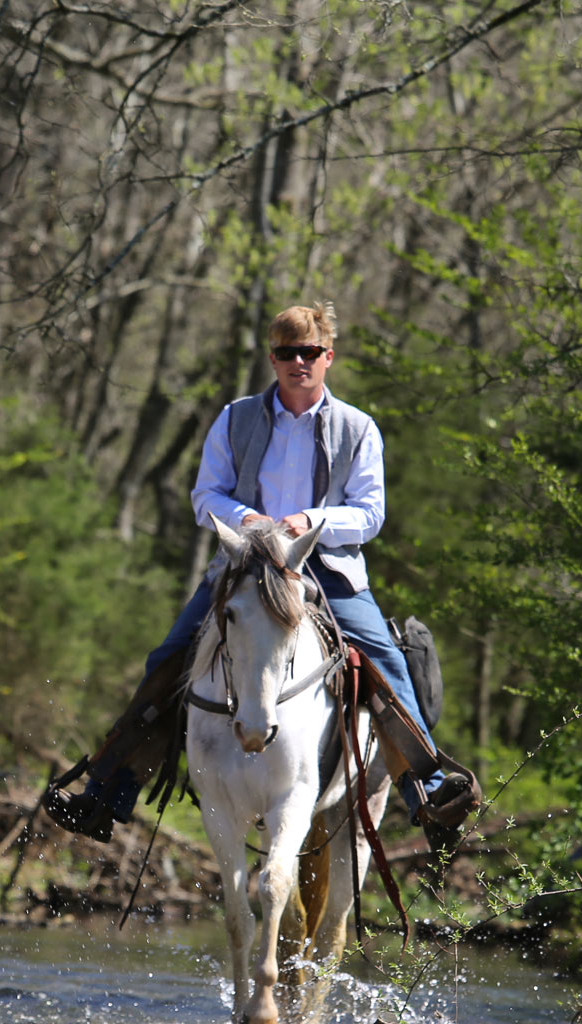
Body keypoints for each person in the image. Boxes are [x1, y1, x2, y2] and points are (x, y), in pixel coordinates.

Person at [43, 301, 473, 842]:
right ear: (272, 358)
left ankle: (427, 795)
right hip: (245, 561)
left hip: (329, 569)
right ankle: (108, 791)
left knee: (386, 661)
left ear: (328, 357)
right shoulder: (235, 417)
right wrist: (247, 518)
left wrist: (309, 520)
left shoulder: (358, 428)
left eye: (309, 352)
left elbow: (369, 514)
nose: (299, 362)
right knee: (170, 656)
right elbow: (206, 496)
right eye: (287, 353)